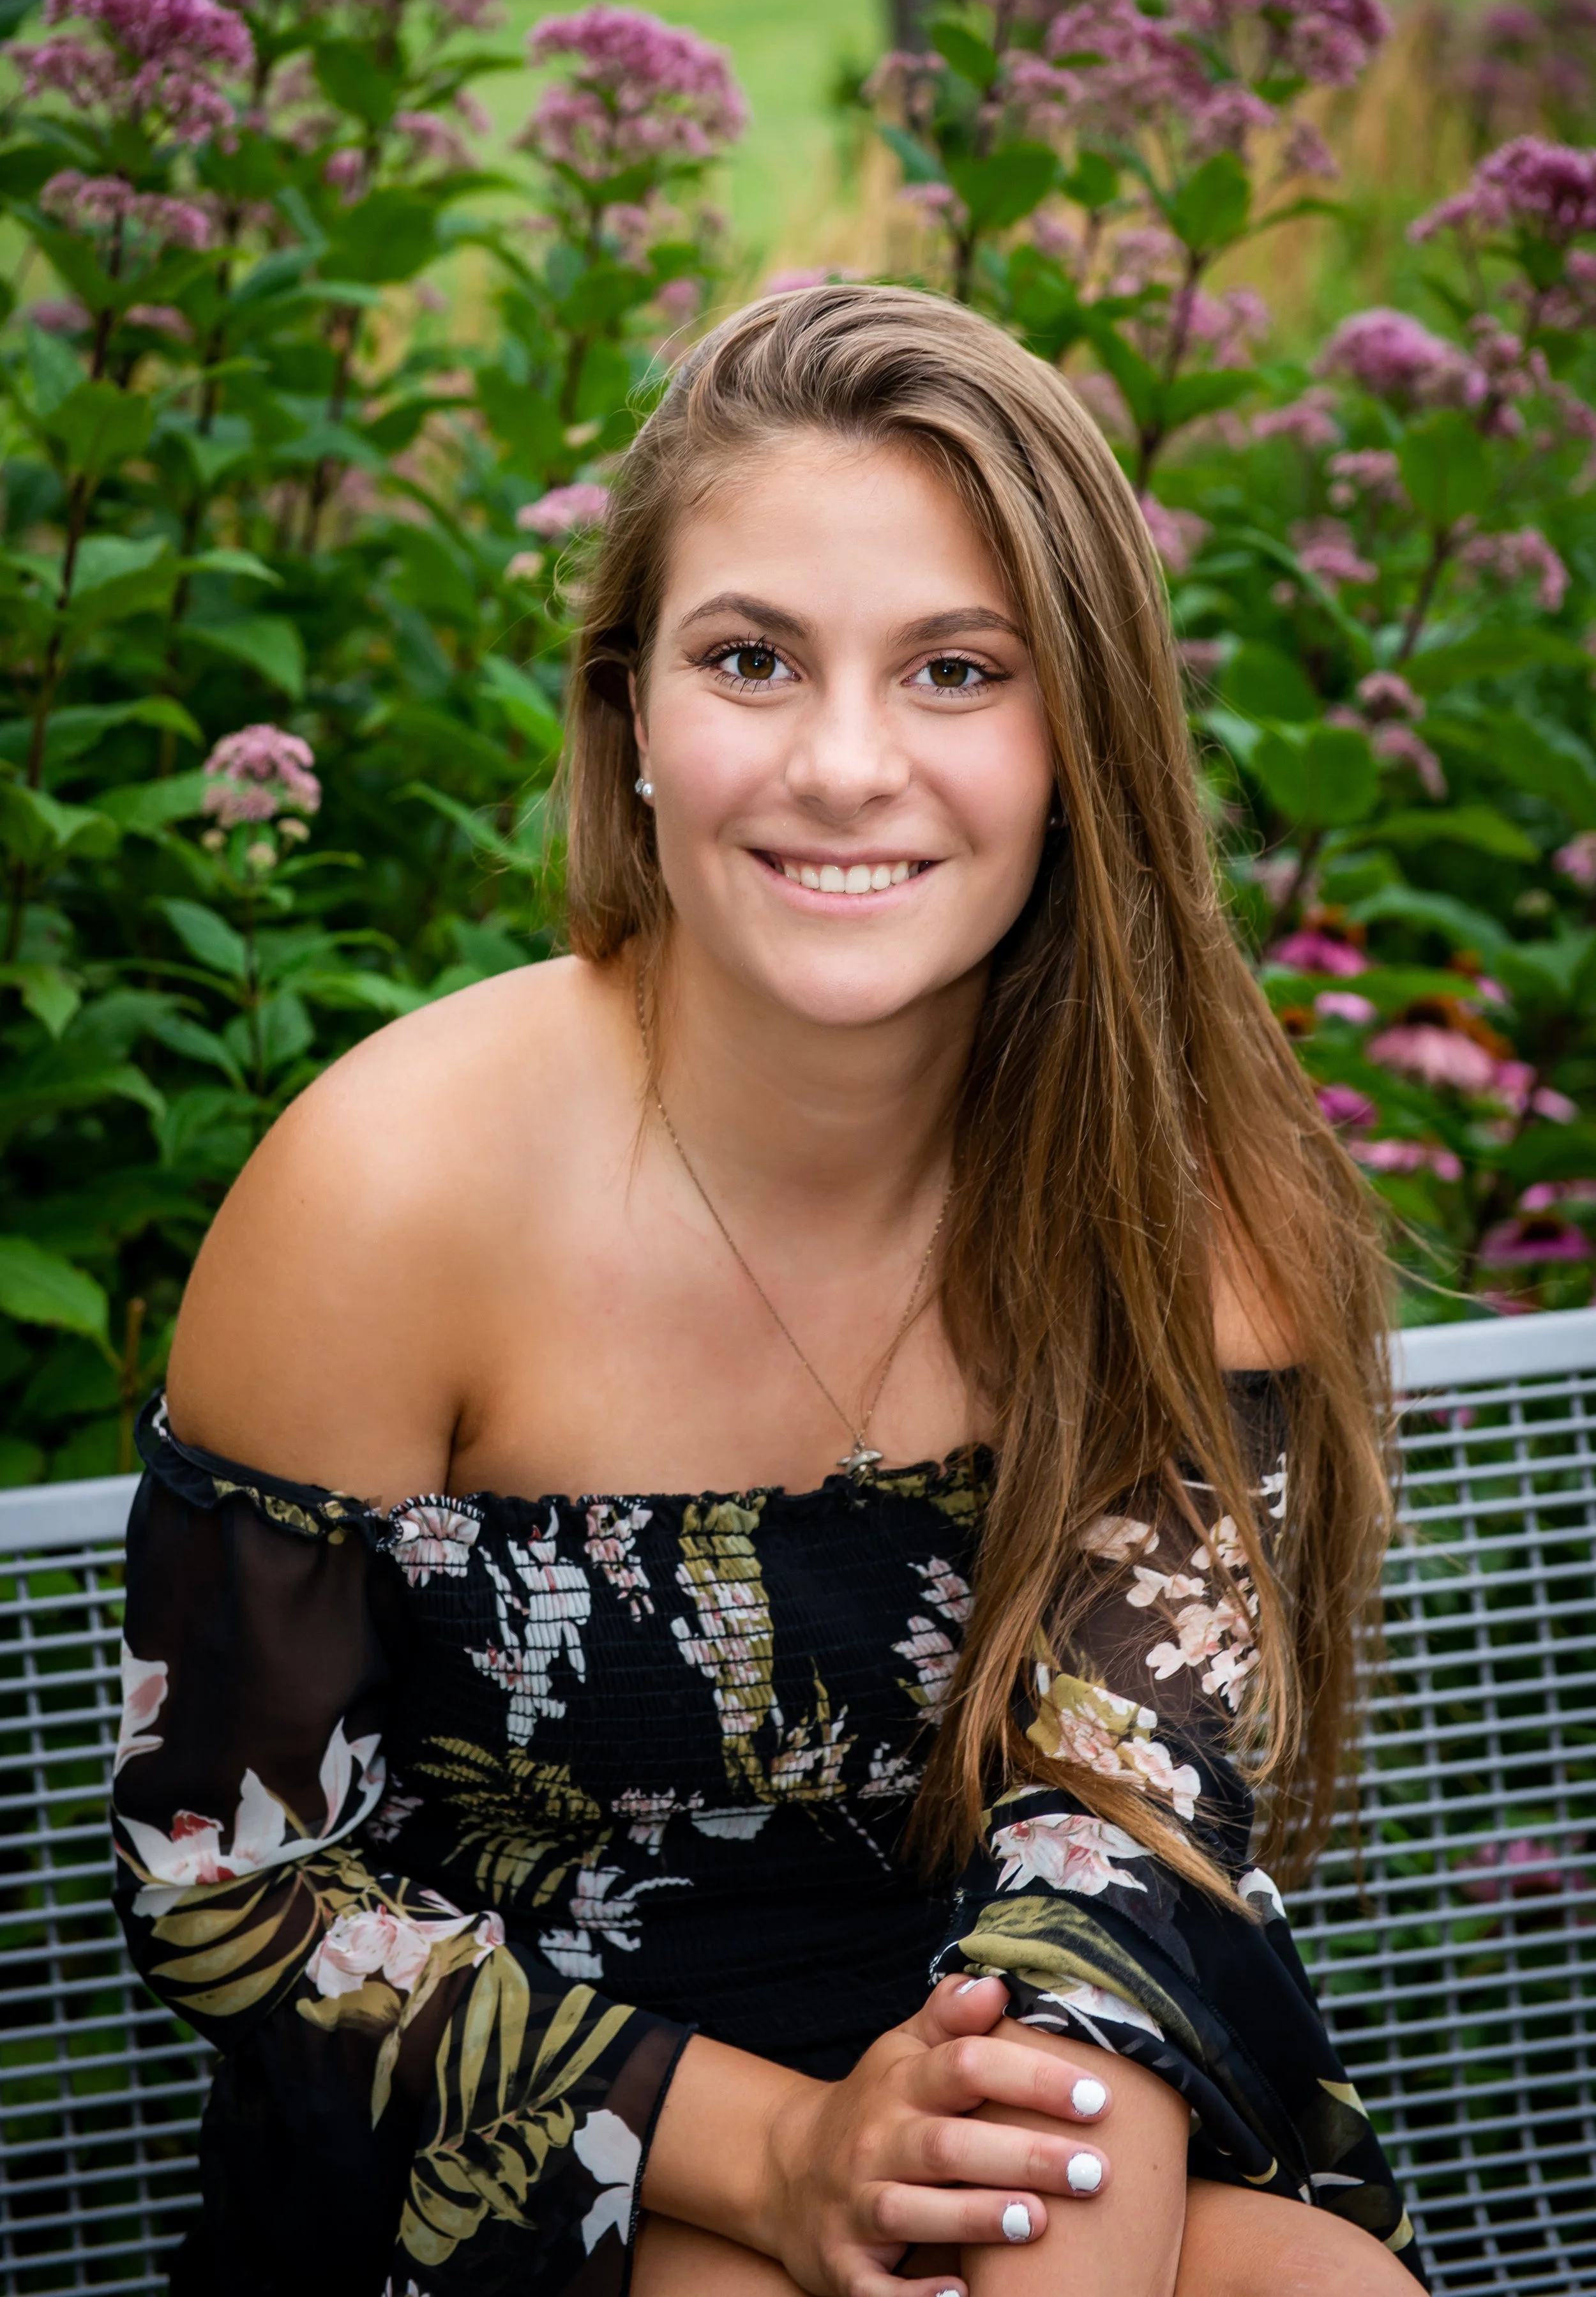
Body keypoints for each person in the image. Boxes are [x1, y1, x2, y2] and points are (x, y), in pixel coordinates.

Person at [112, 285, 1426, 2297]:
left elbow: (1124, 1839)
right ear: (629, 709)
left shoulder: (1185, 1182)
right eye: (749, 660)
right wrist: (782, 2150)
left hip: (1041, 2044)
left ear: (1080, 735)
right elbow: (242, 1891)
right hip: (519, 2125)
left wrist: (958, 2192)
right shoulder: (387, 1194)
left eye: (954, 672)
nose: (841, 764)